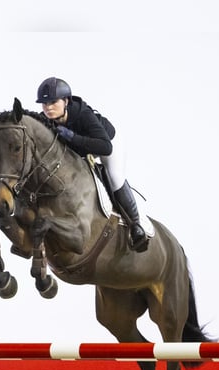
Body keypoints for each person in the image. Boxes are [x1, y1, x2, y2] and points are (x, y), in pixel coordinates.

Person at [36, 77, 148, 252]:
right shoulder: (47, 119)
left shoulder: (83, 114)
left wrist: (72, 137)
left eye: (53, 102)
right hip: (81, 150)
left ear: (66, 101)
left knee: (114, 177)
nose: (48, 107)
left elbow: (105, 147)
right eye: (44, 103)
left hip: (106, 143)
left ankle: (136, 226)